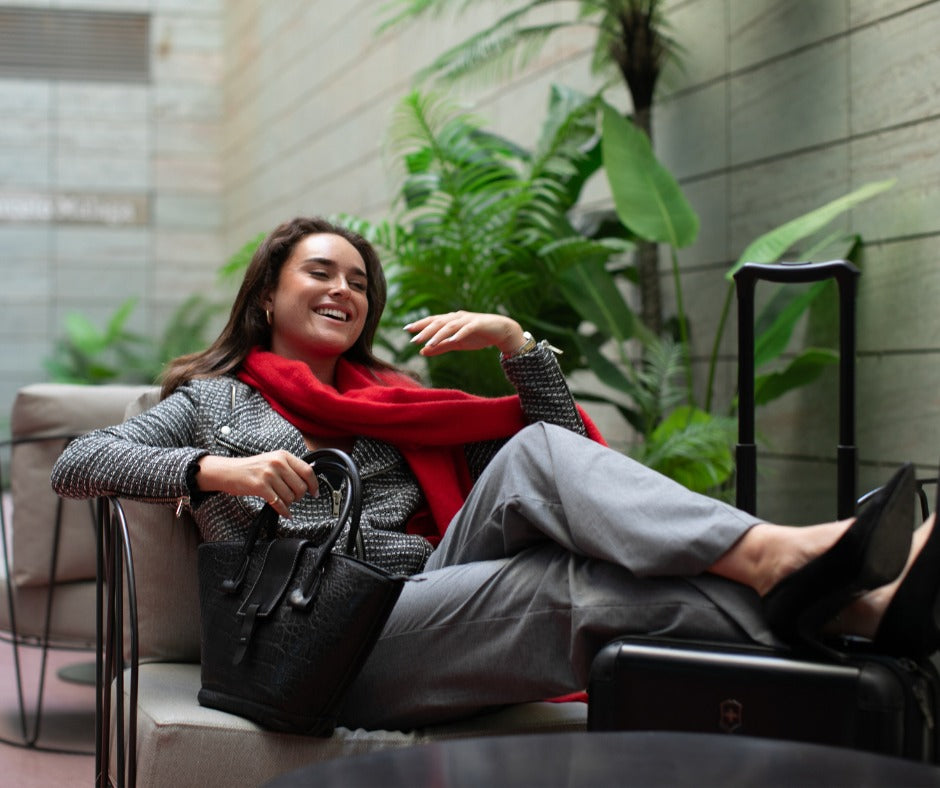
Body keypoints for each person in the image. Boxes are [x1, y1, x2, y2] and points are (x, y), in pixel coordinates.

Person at [52, 216, 940, 731]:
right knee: (569, 587)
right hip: (318, 640)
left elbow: (571, 461)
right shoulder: (213, 400)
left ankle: (810, 584)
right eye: (319, 271)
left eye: (358, 281)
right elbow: (80, 463)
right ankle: (840, 603)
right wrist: (221, 473)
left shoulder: (396, 399)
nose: (343, 290)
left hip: (423, 595)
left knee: (533, 455)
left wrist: (519, 348)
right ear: (266, 297)